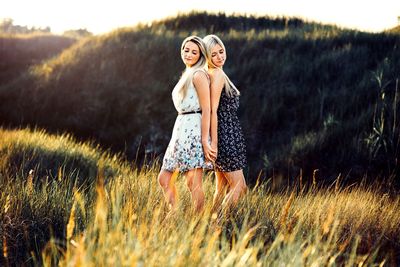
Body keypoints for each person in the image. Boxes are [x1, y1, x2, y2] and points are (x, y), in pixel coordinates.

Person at [158, 36, 216, 213]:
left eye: (194, 52)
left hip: (193, 129)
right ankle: (174, 214)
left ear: (200, 55)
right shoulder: (188, 72)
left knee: (193, 182)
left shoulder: (199, 74)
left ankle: (200, 220)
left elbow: (207, 109)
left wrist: (205, 140)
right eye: (186, 50)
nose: (189, 54)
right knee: (164, 178)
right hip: (180, 128)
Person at [203, 34, 248, 209]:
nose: (219, 57)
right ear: (207, 56)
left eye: (221, 51)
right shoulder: (218, 74)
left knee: (221, 188)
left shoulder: (210, 73)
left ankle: (209, 224)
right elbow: (212, 110)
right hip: (225, 137)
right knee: (239, 187)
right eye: (213, 54)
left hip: (223, 135)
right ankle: (218, 224)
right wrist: (214, 142)